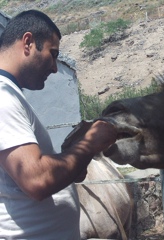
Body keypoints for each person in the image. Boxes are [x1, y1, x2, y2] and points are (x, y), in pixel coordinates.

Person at [0, 10, 117, 239]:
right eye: (52, 54)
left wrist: (72, 158)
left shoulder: (11, 96)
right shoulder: (3, 98)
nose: (55, 67)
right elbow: (36, 179)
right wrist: (89, 145)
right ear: (28, 43)